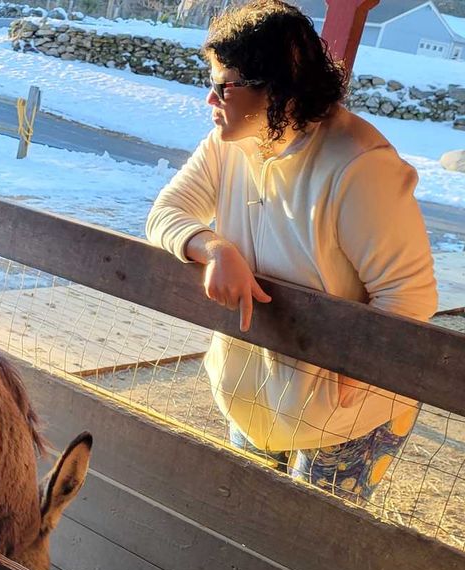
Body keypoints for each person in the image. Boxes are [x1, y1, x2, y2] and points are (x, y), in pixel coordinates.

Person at [145, 0, 438, 503]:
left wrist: (343, 385)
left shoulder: (361, 168)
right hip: (252, 395)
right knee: (251, 530)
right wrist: (214, 248)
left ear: (276, 86)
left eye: (224, 87)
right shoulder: (229, 141)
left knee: (310, 549)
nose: (210, 100)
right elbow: (166, 213)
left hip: (346, 417)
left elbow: (408, 299)